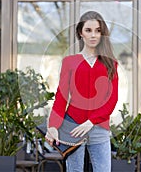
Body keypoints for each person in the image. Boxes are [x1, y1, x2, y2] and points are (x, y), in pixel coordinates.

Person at [45, 11, 119, 172]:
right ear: (81, 33)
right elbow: (61, 97)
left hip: (99, 128)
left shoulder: (110, 64)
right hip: (73, 127)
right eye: (88, 30)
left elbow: (111, 100)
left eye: (98, 31)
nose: (93, 35)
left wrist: (91, 121)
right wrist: (53, 126)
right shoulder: (69, 62)